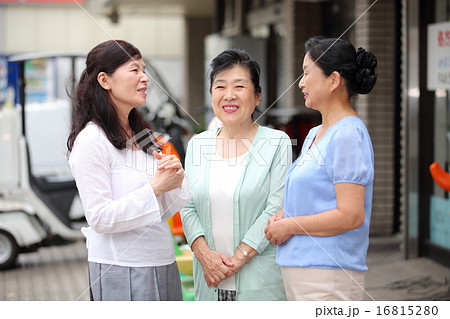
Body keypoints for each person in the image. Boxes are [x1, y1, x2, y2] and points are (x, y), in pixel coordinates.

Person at [67, 40, 191, 301]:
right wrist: (155, 187)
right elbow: (99, 217)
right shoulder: (91, 141)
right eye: (134, 70)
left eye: (144, 70)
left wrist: (176, 178)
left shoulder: (144, 136)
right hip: (122, 267)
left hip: (163, 260)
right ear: (105, 80)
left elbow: (165, 208)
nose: (145, 79)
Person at [265, 36, 377, 301]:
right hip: (305, 272)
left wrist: (290, 225)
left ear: (333, 80)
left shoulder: (348, 134)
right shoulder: (316, 133)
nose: (301, 83)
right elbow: (317, 199)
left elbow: (350, 215)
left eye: (306, 73)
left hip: (328, 275)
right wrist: (283, 217)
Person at [180, 49, 292, 301]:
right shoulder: (198, 144)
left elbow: (276, 207)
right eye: (220, 86)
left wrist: (235, 261)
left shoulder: (277, 143)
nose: (229, 95)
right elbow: (187, 206)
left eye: (239, 86)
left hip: (259, 282)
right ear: (211, 95)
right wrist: (204, 255)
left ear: (257, 96)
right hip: (208, 282)